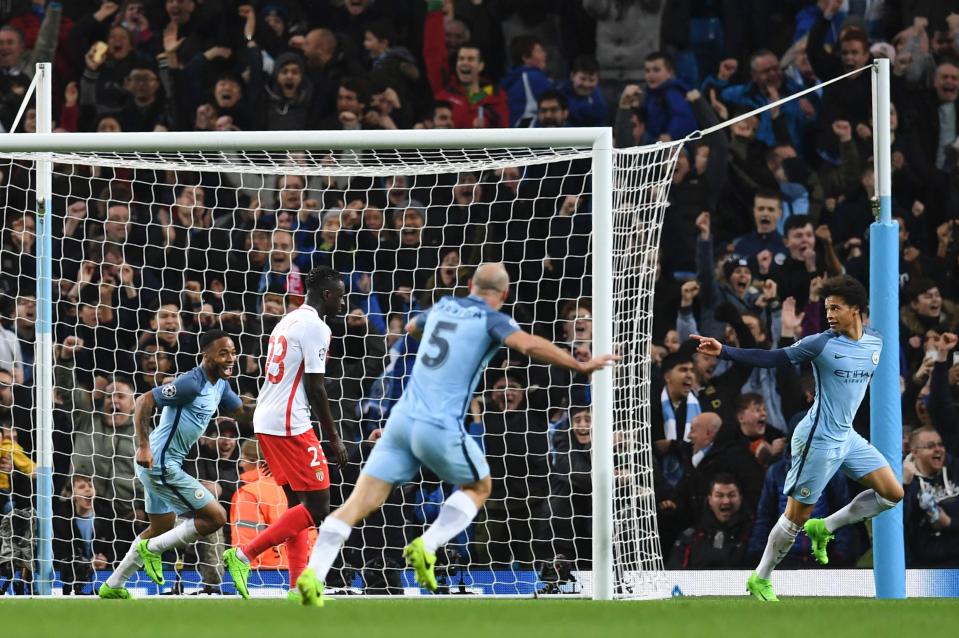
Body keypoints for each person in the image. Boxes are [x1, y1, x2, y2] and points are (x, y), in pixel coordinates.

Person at [293, 263, 618, 606]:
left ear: (469, 285)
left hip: (401, 419)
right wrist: (580, 365)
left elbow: (414, 326)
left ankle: (314, 575)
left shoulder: (445, 305)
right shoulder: (493, 319)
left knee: (358, 503)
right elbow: (529, 345)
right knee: (480, 486)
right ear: (503, 295)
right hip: (439, 422)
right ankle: (427, 546)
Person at [692, 274, 903, 602]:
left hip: (846, 437)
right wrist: (725, 351)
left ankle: (826, 527)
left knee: (892, 493)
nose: (829, 314)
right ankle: (760, 578)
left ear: (857, 310)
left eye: (836, 307)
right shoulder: (820, 343)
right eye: (827, 307)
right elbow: (773, 359)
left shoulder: (876, 341)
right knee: (795, 517)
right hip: (816, 438)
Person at [223, 265, 348, 600]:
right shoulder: (316, 327)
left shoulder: (287, 320)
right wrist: (333, 438)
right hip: (290, 423)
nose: (342, 303)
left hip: (266, 419)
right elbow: (316, 388)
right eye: (339, 295)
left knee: (296, 505)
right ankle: (243, 554)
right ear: (326, 294)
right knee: (319, 506)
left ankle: (296, 586)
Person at [97, 329, 250, 599]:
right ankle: (151, 550)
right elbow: (145, 400)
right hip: (159, 463)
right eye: (223, 353)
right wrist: (143, 446)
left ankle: (114, 585)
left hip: (161, 464)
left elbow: (243, 414)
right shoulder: (192, 383)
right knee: (215, 518)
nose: (230, 358)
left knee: (161, 528)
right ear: (207, 356)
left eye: (233, 352)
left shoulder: (221, 385)